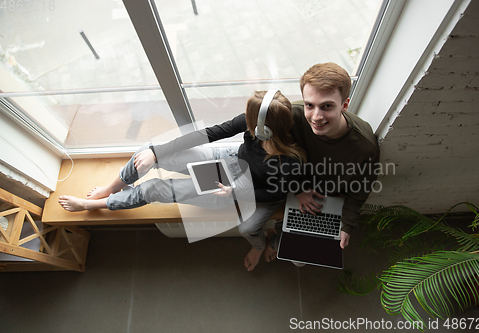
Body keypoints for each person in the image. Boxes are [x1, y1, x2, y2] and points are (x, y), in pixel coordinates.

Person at [59, 90, 306, 272]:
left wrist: (233, 192)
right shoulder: (256, 125)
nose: (245, 121)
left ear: (265, 128)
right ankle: (113, 187)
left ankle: (94, 205)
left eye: (249, 119)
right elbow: (208, 134)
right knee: (149, 149)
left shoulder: (290, 162)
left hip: (239, 189)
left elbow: (274, 195)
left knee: (154, 189)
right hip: (229, 159)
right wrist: (158, 154)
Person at [265, 63, 380, 263]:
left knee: (303, 258)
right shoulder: (292, 115)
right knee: (293, 247)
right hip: (295, 188)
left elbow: (360, 188)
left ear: (344, 105)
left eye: (327, 106)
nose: (316, 117)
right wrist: (298, 189)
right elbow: (269, 153)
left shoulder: (365, 146)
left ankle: (276, 243)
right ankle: (275, 241)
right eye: (310, 105)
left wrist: (347, 224)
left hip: (327, 198)